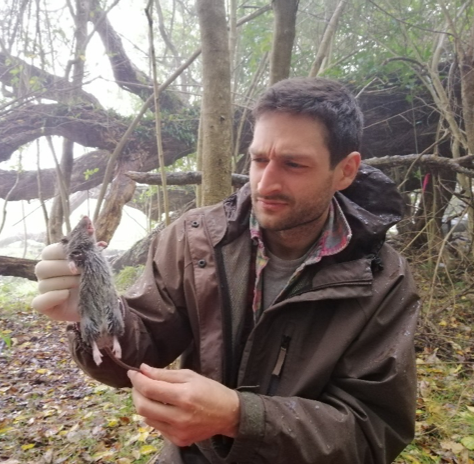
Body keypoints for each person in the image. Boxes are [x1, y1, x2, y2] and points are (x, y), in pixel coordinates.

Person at [32, 77, 419, 464]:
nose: (266, 183)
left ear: (346, 171)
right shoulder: (194, 238)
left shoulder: (384, 280)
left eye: (294, 164)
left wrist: (239, 417)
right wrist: (94, 313)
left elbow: (374, 432)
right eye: (259, 159)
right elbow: (138, 351)